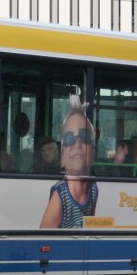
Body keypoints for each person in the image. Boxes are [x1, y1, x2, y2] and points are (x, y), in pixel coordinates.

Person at [40, 97, 98, 228]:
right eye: (69, 138)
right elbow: (43, 239)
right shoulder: (60, 195)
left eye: (84, 137)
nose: (77, 145)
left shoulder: (93, 189)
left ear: (93, 151)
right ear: (62, 154)